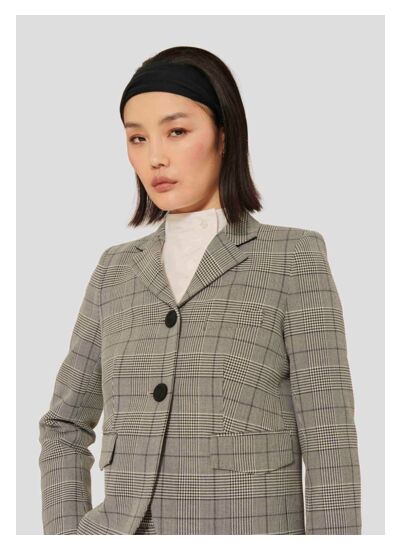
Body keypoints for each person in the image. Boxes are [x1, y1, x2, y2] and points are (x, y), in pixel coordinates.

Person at [38, 46, 362, 535]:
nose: (155, 157)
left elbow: (328, 440)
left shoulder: (292, 258)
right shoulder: (114, 271)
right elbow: (64, 425)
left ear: (224, 135)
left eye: (177, 131)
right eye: (137, 138)